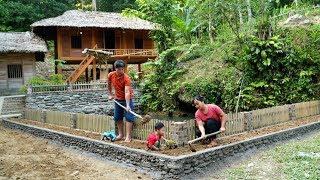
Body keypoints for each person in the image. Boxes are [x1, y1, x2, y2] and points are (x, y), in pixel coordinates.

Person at [108, 60, 134, 142]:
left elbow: (127, 92)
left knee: (129, 117)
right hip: (117, 99)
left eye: (122, 69)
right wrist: (110, 94)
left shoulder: (126, 78)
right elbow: (109, 85)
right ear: (115, 69)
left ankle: (128, 137)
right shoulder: (111, 75)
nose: (121, 71)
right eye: (119, 69)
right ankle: (121, 135)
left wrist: (128, 105)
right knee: (117, 117)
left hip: (127, 99)